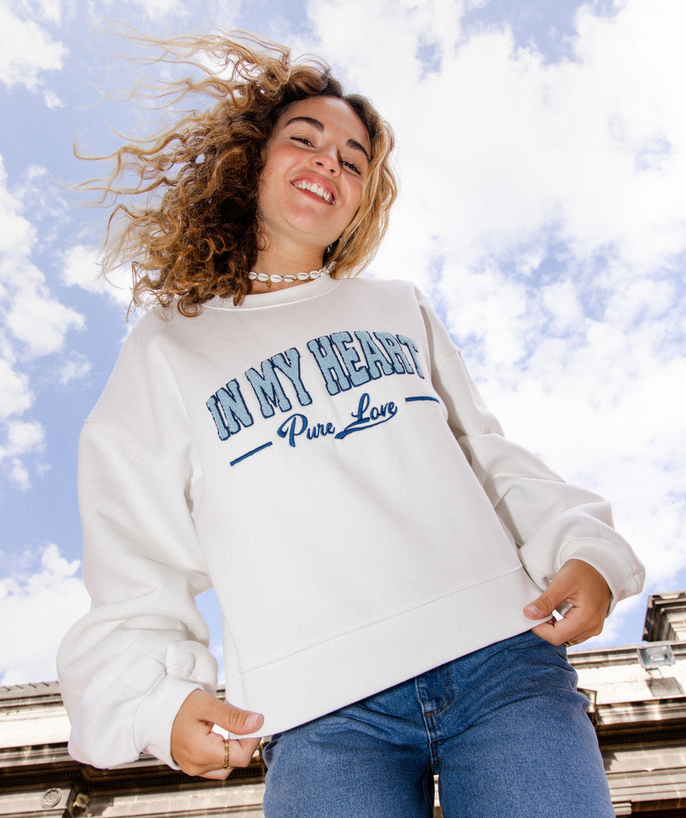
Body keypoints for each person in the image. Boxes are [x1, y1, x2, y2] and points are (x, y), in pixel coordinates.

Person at [57, 30, 645, 818]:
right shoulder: (169, 345)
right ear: (250, 164)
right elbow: (134, 543)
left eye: (354, 158)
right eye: (305, 140)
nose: (330, 161)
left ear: (363, 196)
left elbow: (482, 455)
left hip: (502, 664)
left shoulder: (396, 307)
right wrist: (153, 698)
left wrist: (583, 547)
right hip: (322, 712)